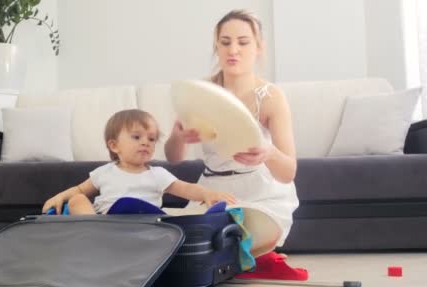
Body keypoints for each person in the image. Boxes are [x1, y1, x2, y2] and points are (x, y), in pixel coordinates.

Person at [164, 9, 299, 247]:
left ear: (258, 47)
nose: (233, 50)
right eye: (225, 42)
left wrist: (268, 152)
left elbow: (288, 173)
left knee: (239, 233)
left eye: (243, 42)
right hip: (213, 190)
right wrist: (178, 136)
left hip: (260, 192)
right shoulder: (202, 91)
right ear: (217, 47)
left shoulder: (271, 97)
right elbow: (173, 158)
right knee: (191, 241)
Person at [42, 109, 236, 215]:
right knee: (77, 200)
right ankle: (92, 230)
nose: (145, 142)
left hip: (145, 224)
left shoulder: (157, 175)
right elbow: (79, 190)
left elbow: (186, 188)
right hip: (106, 222)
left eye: (151, 139)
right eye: (136, 137)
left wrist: (208, 193)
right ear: (114, 145)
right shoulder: (104, 172)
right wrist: (60, 196)